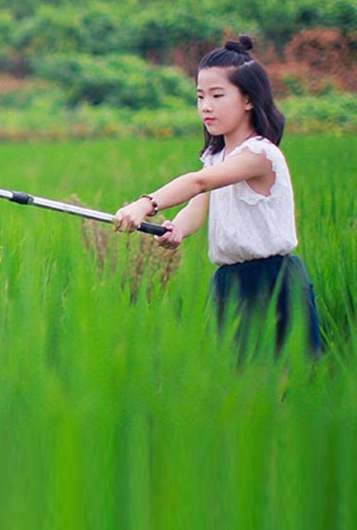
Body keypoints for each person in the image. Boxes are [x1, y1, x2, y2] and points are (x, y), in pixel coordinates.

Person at [113, 35, 322, 358]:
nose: (205, 106)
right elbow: (196, 209)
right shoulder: (217, 157)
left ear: (249, 100)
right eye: (200, 97)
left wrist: (146, 204)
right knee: (237, 389)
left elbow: (198, 183)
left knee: (278, 388)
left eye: (217, 95)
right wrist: (176, 228)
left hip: (273, 282)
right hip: (229, 283)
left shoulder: (260, 155)